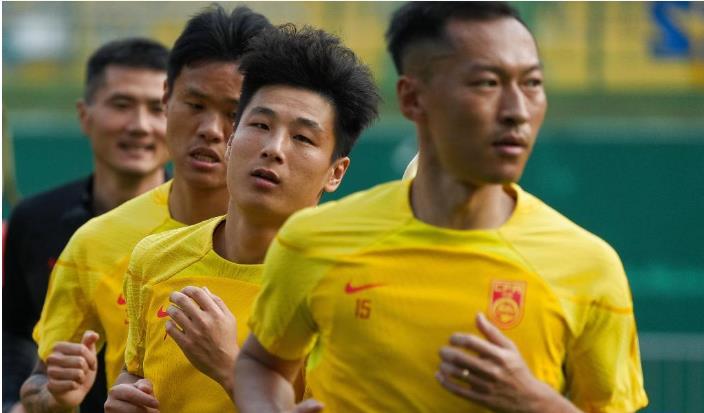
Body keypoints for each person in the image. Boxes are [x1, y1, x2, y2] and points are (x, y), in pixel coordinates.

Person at [233, 2, 648, 412]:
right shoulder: (313, 242)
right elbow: (262, 364)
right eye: (487, 83)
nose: (517, 111)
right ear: (413, 98)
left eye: (532, 83)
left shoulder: (590, 268)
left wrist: (534, 401)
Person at [105, 24, 380, 413]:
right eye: (260, 125)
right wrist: (127, 394)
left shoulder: (348, 291)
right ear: (232, 139)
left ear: (336, 172)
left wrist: (231, 369)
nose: (273, 148)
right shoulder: (154, 258)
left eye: (302, 138)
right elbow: (134, 371)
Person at [20, 6, 272, 412]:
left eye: (233, 113)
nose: (211, 129)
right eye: (195, 104)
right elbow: (40, 381)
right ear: (166, 99)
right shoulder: (97, 241)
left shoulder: (305, 252)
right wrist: (56, 397)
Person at [3, 37, 170, 413]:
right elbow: (15, 330)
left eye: (157, 108)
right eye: (122, 105)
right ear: (85, 115)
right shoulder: (34, 220)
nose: (140, 125)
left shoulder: (208, 225)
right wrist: (15, 402)